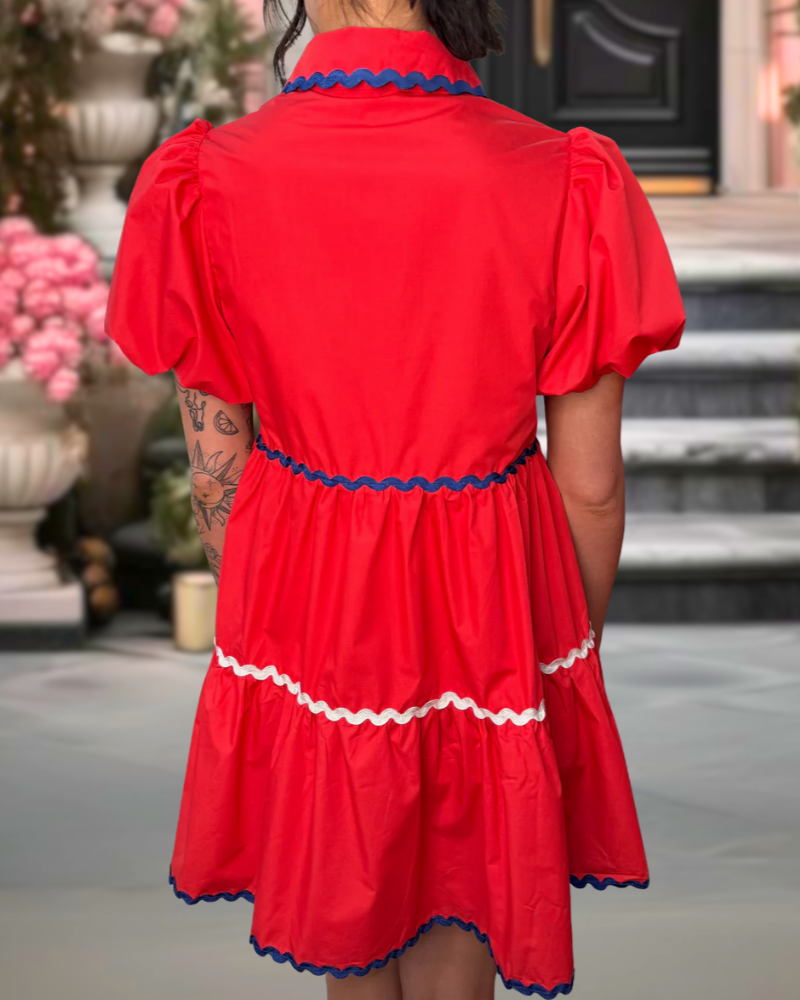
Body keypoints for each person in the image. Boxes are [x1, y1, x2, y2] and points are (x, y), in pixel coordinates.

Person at [106, 0, 685, 996]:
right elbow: (588, 486)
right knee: (463, 915)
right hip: (487, 609)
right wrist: (553, 657)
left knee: (349, 924)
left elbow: (218, 464)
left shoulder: (209, 179)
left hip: (313, 602)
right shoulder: (564, 176)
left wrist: (269, 626)